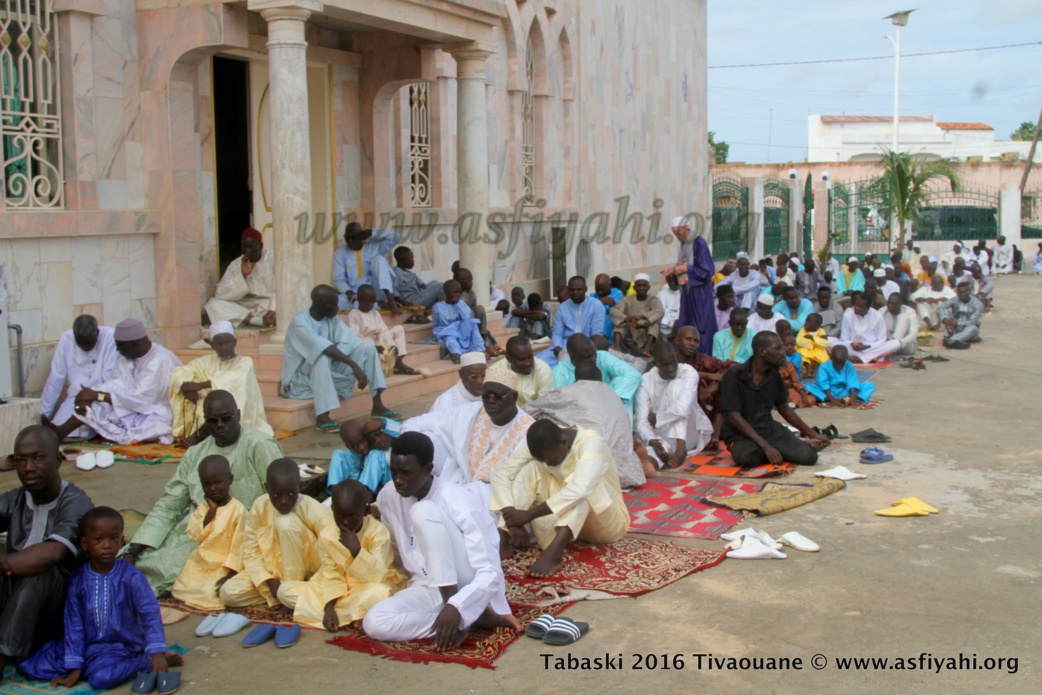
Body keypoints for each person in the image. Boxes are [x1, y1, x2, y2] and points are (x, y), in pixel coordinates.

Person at [363, 432, 517, 647]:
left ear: (428, 469)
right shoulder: (388, 496)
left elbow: (489, 571)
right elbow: (398, 555)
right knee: (374, 623)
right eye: (394, 472)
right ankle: (467, 619)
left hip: (466, 585)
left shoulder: (458, 500)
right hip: (425, 586)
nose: (398, 480)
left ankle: (461, 611)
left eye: (406, 473)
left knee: (423, 510)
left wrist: (458, 604)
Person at [124, 390, 283, 594]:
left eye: (226, 418)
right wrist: (135, 547)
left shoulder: (259, 445)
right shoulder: (195, 453)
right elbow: (170, 504)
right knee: (134, 560)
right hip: (198, 527)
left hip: (243, 533)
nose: (219, 425)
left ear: (239, 415)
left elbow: (279, 497)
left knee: (167, 571)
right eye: (212, 421)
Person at [16, 507, 182, 691]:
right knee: (31, 666)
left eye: (114, 538)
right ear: (85, 544)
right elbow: (74, 624)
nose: (107, 545)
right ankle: (84, 665)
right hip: (88, 647)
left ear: (122, 540)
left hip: (122, 647)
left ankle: (143, 662)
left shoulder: (131, 576)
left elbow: (149, 614)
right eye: (99, 539)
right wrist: (75, 666)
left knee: (101, 679)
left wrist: (157, 652)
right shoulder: (78, 580)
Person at [0, 426, 94, 679]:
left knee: (39, 570)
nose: (28, 467)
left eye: (38, 458)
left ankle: (3, 655)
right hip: (17, 604)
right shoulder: (15, 499)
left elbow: (53, 554)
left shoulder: (76, 502)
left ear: (58, 460)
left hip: (58, 611)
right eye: (21, 460)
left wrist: (5, 564)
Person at [491, 420, 630, 576]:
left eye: (552, 460)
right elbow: (501, 473)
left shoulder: (592, 442)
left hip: (606, 524)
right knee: (530, 468)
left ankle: (554, 555)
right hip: (562, 523)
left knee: (585, 485)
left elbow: (580, 489)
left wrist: (528, 515)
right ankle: (504, 535)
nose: (550, 464)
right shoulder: (547, 442)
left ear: (563, 442)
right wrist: (512, 517)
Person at [219, 459, 336, 615]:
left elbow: (332, 555)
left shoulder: (313, 509)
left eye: (290, 494)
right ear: (267, 488)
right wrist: (267, 580)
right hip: (273, 574)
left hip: (309, 576)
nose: (283, 501)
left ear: (300, 487)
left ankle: (291, 592)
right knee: (228, 593)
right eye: (276, 495)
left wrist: (304, 584)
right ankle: (286, 595)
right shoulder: (259, 506)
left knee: (286, 523)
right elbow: (251, 551)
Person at [45, 318, 182, 444]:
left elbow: (142, 398)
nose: (117, 350)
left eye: (119, 346)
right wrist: (91, 395)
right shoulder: (129, 357)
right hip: (133, 407)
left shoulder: (160, 360)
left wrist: (98, 395)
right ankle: (59, 432)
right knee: (93, 404)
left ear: (133, 343)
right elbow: (116, 382)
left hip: (158, 413)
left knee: (154, 427)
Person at [293, 481, 405, 632]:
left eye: (352, 515)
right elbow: (330, 574)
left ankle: (346, 614)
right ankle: (352, 615)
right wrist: (329, 607)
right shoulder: (327, 534)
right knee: (285, 591)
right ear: (332, 510)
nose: (345, 521)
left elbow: (378, 577)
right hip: (338, 592)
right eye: (339, 515)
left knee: (380, 593)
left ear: (366, 511)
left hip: (367, 587)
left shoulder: (379, 532)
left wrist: (357, 551)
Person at [282, 285, 395, 430]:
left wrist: (355, 364)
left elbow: (351, 341)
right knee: (321, 356)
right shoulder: (299, 323)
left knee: (368, 347)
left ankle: (378, 405)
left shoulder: (331, 319)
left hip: (326, 372)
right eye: (333, 304)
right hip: (300, 380)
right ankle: (322, 416)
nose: (337, 308)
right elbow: (323, 347)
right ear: (321, 305)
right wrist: (354, 366)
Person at [403, 370, 533, 491]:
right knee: (426, 437)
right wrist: (407, 443)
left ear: (514, 397)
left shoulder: (528, 429)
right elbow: (417, 422)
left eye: (498, 397)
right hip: (460, 481)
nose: (491, 401)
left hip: (494, 494)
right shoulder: (473, 411)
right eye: (486, 396)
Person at [524, 360, 646, 488]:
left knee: (544, 416)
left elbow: (526, 410)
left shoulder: (566, 392)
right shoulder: (612, 392)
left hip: (595, 472)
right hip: (629, 473)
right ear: (600, 378)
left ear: (575, 380)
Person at [720, 332, 829, 467]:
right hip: (742, 435)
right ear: (762, 351)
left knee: (809, 457)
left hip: (768, 429)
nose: (783, 353)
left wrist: (812, 434)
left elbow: (785, 409)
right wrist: (766, 446)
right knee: (747, 458)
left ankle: (777, 449)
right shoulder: (734, 375)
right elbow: (734, 417)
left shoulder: (774, 376)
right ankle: (775, 450)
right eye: (778, 348)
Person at [168, 321, 272, 444]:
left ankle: (199, 437)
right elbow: (181, 371)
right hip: (205, 403)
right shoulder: (208, 360)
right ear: (212, 345)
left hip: (236, 407)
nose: (224, 347)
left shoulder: (245, 362)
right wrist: (185, 386)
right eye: (219, 344)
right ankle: (200, 435)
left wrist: (199, 386)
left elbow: (233, 380)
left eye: (227, 342)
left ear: (234, 342)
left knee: (222, 404)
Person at [170, 455, 247, 611]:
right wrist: (210, 514)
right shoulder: (205, 508)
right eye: (207, 485)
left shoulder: (238, 510)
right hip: (202, 561)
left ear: (230, 479)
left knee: (212, 592)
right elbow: (195, 535)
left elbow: (240, 547)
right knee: (180, 586)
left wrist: (230, 574)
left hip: (223, 565)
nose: (212, 488)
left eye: (217, 482)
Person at [635, 341, 713, 470]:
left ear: (677, 357)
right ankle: (647, 465)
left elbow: (682, 410)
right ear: (655, 365)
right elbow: (642, 422)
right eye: (665, 365)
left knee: (675, 386)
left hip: (689, 434)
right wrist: (653, 441)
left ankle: (680, 448)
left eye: (673, 362)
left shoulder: (688, 372)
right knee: (658, 449)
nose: (671, 368)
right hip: (663, 434)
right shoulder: (646, 380)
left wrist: (657, 418)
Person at [40, 315, 118, 439]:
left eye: (88, 343)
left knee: (104, 432)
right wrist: (43, 414)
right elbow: (56, 378)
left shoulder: (109, 337)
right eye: (80, 343)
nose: (85, 347)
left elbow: (109, 378)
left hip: (101, 397)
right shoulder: (67, 338)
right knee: (55, 432)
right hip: (75, 398)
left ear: (97, 333)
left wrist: (91, 396)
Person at [551, 334, 642, 419]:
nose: (594, 358)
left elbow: (633, 374)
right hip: (582, 414)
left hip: (609, 405)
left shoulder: (602, 356)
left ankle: (625, 432)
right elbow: (562, 403)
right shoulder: (559, 372)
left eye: (594, 353)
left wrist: (613, 399)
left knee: (625, 386)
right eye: (588, 356)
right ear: (573, 359)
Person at [674, 326, 733, 450]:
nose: (692, 344)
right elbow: (675, 373)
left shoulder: (702, 359)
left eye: (696, 341)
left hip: (705, 409)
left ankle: (715, 436)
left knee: (726, 384)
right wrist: (708, 375)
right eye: (688, 339)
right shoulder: (669, 359)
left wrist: (716, 385)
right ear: (677, 341)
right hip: (678, 414)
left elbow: (733, 367)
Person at [204, 227, 276, 327]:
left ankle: (269, 318)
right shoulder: (236, 265)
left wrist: (273, 309)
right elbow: (220, 294)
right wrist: (242, 275)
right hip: (246, 306)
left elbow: (284, 287)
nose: (247, 250)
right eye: (244, 247)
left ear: (261, 246)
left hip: (269, 303)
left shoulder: (272, 258)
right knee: (213, 304)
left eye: (251, 247)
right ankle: (258, 321)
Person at [347, 284, 419, 376]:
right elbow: (355, 338)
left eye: (373, 302)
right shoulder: (354, 315)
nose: (371, 305)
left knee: (399, 329)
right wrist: (374, 348)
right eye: (368, 301)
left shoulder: (375, 313)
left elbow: (383, 331)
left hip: (378, 340)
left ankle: (398, 363)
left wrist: (391, 345)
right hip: (366, 345)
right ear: (359, 300)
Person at [333, 222, 400, 313]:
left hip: (375, 292)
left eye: (354, 238)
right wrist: (348, 291)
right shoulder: (340, 253)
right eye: (347, 238)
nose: (350, 241)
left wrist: (372, 233)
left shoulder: (374, 246)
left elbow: (396, 236)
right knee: (337, 302)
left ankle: (390, 300)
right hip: (356, 295)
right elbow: (338, 279)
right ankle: (377, 305)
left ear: (362, 236)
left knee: (379, 259)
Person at [546, 275, 606, 367]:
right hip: (564, 347)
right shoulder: (562, 308)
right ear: (568, 290)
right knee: (541, 363)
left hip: (588, 346)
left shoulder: (596, 305)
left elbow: (596, 333)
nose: (575, 292)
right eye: (572, 290)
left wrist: (586, 350)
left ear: (585, 289)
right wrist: (557, 347)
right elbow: (557, 332)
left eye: (579, 289)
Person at [834, 294, 902, 364]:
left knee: (896, 343)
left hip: (870, 348)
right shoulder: (847, 315)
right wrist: (852, 344)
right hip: (852, 348)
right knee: (830, 341)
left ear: (868, 308)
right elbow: (844, 339)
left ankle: (860, 358)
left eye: (860, 306)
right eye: (856, 305)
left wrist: (866, 346)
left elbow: (881, 340)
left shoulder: (877, 316)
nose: (856, 308)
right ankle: (868, 357)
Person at [610, 273, 664, 357]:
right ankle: (617, 348)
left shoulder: (653, 299)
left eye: (644, 286)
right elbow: (613, 311)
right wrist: (627, 318)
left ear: (648, 287)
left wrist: (641, 318)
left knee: (655, 323)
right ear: (634, 288)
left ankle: (646, 350)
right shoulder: (626, 300)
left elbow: (660, 311)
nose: (642, 288)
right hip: (631, 334)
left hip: (647, 335)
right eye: (639, 286)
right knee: (620, 322)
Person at [432, 279, 485, 362]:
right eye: (455, 292)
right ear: (446, 292)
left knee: (472, 323)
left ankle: (479, 349)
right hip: (446, 331)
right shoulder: (438, 306)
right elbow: (436, 324)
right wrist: (436, 334)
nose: (458, 294)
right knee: (451, 340)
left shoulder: (461, 303)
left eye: (459, 292)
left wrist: (458, 304)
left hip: (460, 328)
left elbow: (466, 317)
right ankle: (457, 354)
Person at [806, 345, 875, 406]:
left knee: (870, 385)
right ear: (831, 358)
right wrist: (831, 398)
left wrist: (853, 397)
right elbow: (823, 383)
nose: (839, 366)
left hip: (845, 390)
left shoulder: (849, 365)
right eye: (837, 363)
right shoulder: (824, 366)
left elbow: (852, 382)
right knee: (808, 387)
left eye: (842, 363)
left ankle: (850, 398)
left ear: (846, 359)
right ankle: (830, 399)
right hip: (829, 392)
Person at [500, 336, 554, 407]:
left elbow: (544, 405)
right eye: (522, 359)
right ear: (508, 358)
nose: (528, 363)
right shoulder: (497, 370)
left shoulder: (543, 370)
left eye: (530, 357)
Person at [454, 268, 497, 350]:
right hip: (458, 322)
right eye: (469, 281)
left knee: (480, 309)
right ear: (461, 282)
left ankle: (482, 336)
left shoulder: (471, 294)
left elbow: (474, 309)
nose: (472, 283)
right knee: (469, 312)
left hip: (470, 321)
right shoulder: (453, 294)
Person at [392, 246, 443, 312]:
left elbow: (422, 285)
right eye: (411, 258)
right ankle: (441, 310)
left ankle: (433, 306)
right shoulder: (397, 272)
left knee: (434, 282)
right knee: (443, 286)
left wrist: (429, 293)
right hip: (412, 300)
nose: (413, 260)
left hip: (418, 295)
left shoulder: (409, 273)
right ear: (404, 259)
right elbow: (394, 291)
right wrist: (404, 303)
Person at [938, 282, 984, 350]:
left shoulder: (977, 304)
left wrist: (956, 322)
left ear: (969, 291)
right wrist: (945, 320)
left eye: (964, 292)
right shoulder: (955, 299)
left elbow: (972, 321)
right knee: (945, 311)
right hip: (954, 328)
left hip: (968, 329)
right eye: (959, 293)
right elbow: (940, 308)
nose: (961, 295)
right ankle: (954, 341)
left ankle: (951, 340)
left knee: (973, 328)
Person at [780, 336, 815, 408]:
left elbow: (796, 381)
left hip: (791, 387)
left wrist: (804, 397)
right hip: (778, 390)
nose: (790, 347)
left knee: (810, 399)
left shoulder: (791, 363)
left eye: (792, 345)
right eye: (786, 345)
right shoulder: (772, 365)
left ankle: (792, 403)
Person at [795, 313, 830, 378]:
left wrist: (812, 338)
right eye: (806, 321)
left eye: (809, 322)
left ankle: (816, 370)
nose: (806, 323)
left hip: (816, 358)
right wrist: (813, 344)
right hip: (806, 358)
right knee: (801, 349)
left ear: (817, 326)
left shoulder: (821, 330)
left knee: (820, 349)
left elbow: (825, 343)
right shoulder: (803, 330)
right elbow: (798, 341)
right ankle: (808, 369)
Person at [593, 273, 624, 339]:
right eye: (597, 289)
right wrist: (601, 301)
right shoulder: (593, 296)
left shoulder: (617, 293)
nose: (600, 292)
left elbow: (608, 310)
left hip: (612, 327)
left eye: (603, 289)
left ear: (610, 286)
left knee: (608, 316)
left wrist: (595, 303)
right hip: (594, 327)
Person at [657, 273, 682, 340]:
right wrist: (672, 324)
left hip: (682, 323)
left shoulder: (684, 292)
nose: (673, 283)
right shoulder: (662, 294)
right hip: (667, 326)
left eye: (674, 280)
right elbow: (662, 311)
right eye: (670, 281)